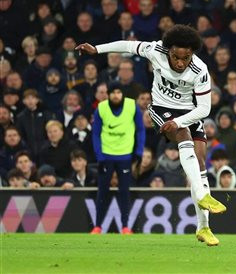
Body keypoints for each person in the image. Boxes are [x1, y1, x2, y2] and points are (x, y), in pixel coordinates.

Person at [76, 24, 225, 246]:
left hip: (189, 112)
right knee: (182, 134)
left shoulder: (200, 71)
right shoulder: (156, 50)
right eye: (176, 57)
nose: (180, 63)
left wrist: (179, 120)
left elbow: (204, 110)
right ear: (169, 50)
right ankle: (203, 195)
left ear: (192, 54)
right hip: (161, 108)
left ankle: (204, 227)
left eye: (185, 58)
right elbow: (127, 45)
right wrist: (97, 49)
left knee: (201, 159)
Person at [90, 82, 144, 234]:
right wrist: (99, 156)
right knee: (102, 191)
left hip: (125, 155)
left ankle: (125, 226)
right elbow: (95, 133)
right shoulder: (101, 108)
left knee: (124, 192)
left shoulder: (132, 106)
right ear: (108, 94)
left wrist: (138, 152)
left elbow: (140, 130)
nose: (116, 95)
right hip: (106, 156)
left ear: (123, 94)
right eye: (113, 92)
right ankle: (97, 226)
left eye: (119, 92)